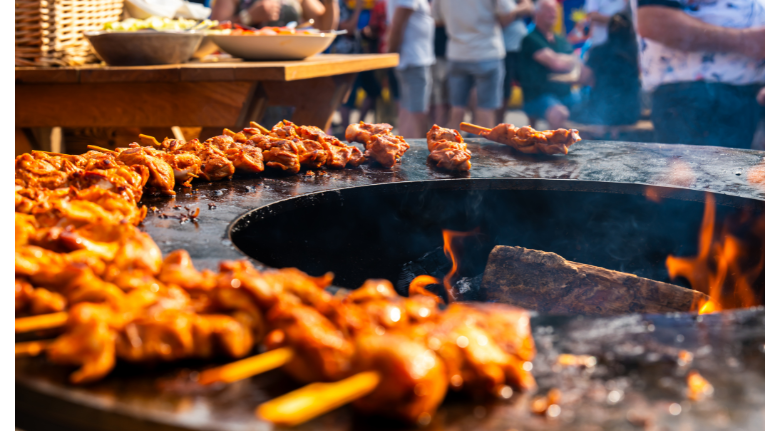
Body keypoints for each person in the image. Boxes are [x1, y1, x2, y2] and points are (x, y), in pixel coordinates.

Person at [633, 0, 765, 148]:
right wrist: (744, 41)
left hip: (745, 98)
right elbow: (654, 21)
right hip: (697, 99)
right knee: (703, 169)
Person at [433, 0, 528, 129]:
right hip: (487, 53)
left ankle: (450, 147)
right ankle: (483, 147)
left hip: (457, 53)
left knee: (457, 108)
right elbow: (506, 15)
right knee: (485, 109)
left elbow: (436, 18)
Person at [517, 0, 589, 129]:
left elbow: (575, 62)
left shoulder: (561, 40)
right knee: (559, 113)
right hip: (538, 96)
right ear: (536, 13)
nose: (553, 14)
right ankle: (555, 147)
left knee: (591, 105)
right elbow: (557, 63)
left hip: (565, 94)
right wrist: (569, 60)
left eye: (555, 10)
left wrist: (567, 60)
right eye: (549, 10)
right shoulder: (530, 39)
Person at [582, 12, 641, 127]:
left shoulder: (598, 51)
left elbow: (583, 78)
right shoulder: (635, 54)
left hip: (602, 113)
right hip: (630, 114)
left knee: (577, 114)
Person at [387, 0, 435, 138]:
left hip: (412, 59)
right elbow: (397, 25)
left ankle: (405, 151)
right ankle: (412, 154)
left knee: (408, 109)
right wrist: (391, 54)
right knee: (416, 112)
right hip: (414, 60)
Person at [498, 0, 535, 124]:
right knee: (504, 92)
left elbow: (529, 7)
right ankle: (499, 126)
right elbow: (503, 20)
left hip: (521, 48)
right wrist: (517, 10)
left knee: (529, 87)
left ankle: (533, 129)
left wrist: (511, 11)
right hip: (504, 49)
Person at [211, 0, 336, 29]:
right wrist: (247, 18)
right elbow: (214, 29)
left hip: (290, 63)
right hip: (245, 66)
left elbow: (325, 27)